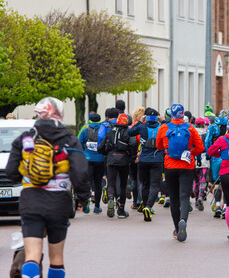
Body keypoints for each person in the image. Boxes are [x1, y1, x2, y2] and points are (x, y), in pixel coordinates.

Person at [6, 97, 90, 278]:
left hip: (31, 202)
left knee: (32, 256)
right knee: (57, 258)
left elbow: (12, 172)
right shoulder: (70, 140)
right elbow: (80, 173)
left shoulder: (25, 138)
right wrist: (84, 198)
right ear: (60, 114)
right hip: (59, 203)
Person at [156, 104, 204, 242]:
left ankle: (177, 229)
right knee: (184, 196)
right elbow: (200, 147)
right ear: (183, 114)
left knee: (174, 198)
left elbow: (158, 146)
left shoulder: (164, 127)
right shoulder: (190, 128)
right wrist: (189, 153)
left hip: (170, 165)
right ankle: (183, 220)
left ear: (170, 114)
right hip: (187, 165)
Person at [128, 108, 164, 222]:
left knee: (144, 184)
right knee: (154, 185)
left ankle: (144, 205)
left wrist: (139, 121)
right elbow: (170, 127)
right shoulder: (162, 127)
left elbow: (129, 132)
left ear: (146, 117)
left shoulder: (141, 126)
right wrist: (162, 121)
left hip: (143, 160)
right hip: (157, 160)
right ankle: (148, 206)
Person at [98, 113, 135, 219]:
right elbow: (132, 144)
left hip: (111, 160)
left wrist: (106, 153)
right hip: (124, 161)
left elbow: (101, 147)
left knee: (111, 183)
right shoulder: (129, 132)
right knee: (123, 185)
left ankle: (110, 199)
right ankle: (121, 210)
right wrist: (132, 157)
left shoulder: (110, 132)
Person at [78, 113, 105, 214]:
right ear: (99, 121)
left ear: (90, 121)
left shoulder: (85, 130)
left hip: (88, 160)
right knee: (98, 183)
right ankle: (97, 206)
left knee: (87, 182)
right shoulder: (102, 130)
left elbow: (79, 143)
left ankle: (86, 204)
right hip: (100, 160)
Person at [205, 109, 228, 218]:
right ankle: (226, 207)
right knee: (227, 183)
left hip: (215, 156)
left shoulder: (213, 126)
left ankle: (218, 205)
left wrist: (208, 155)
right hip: (228, 156)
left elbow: (208, 141)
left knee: (217, 183)